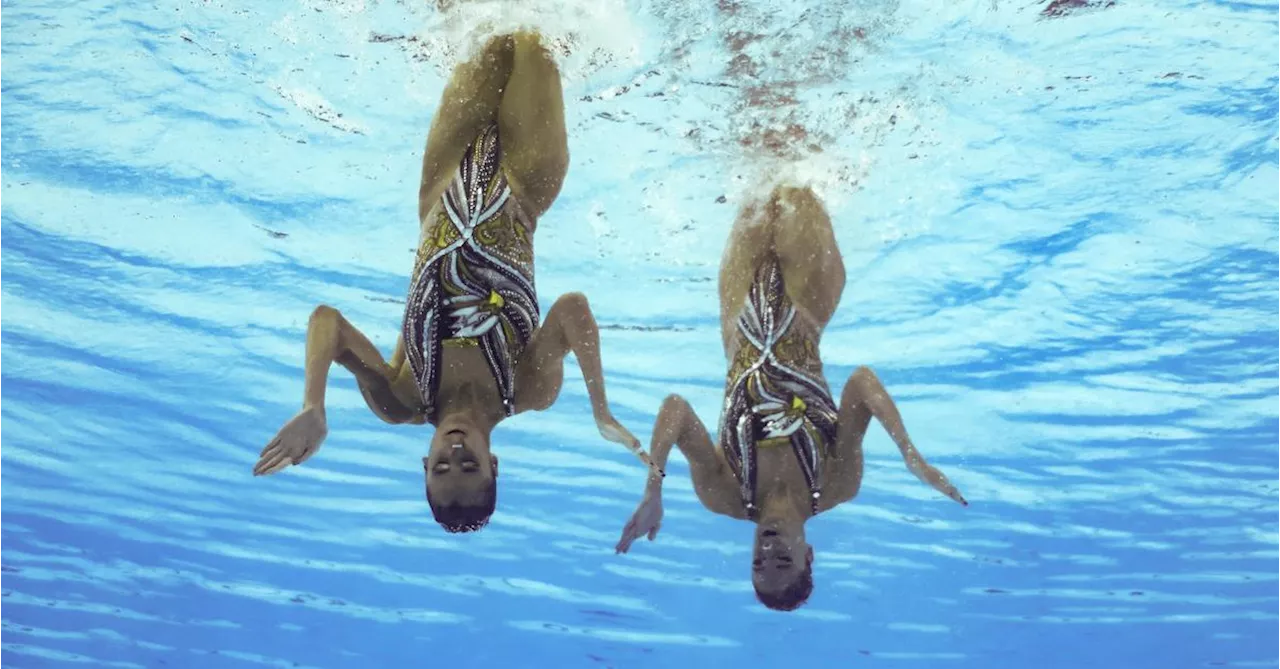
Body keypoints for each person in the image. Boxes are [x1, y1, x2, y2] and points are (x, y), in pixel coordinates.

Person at [254, 31, 648, 533]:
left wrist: (313, 403)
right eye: (470, 465)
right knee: (531, 29)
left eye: (442, 466)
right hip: (524, 184)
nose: (455, 451)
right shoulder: (527, 390)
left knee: (481, 27)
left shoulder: (400, 399)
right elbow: (572, 310)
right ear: (495, 464)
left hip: (444, 180)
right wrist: (601, 408)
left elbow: (326, 321)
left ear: (424, 465)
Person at [614, 184, 967, 611]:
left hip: (740, 307)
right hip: (808, 300)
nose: (767, 552)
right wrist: (911, 455)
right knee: (794, 178)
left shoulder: (724, 494)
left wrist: (654, 489)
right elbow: (861, 384)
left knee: (756, 179)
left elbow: (676, 409)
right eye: (783, 559)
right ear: (808, 554)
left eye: (759, 564)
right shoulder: (836, 484)